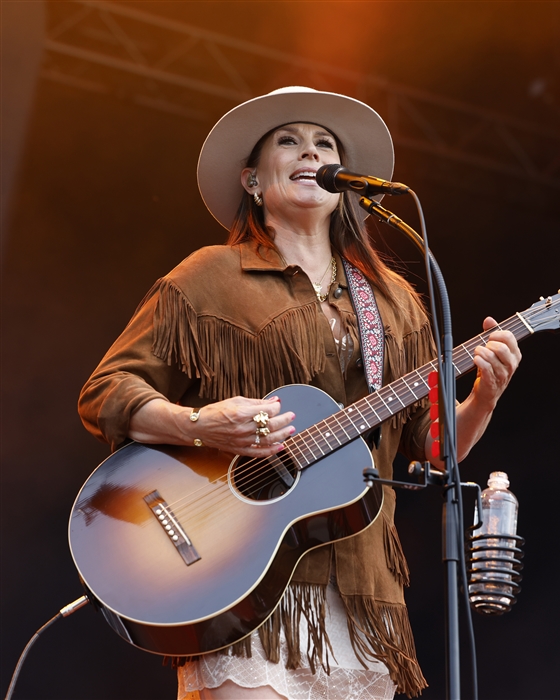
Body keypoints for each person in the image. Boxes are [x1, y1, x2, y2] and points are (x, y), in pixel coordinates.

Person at [78, 86, 521, 700]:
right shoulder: (209, 275)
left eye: (324, 143)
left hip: (363, 600)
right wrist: (200, 424)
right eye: (288, 140)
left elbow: (434, 450)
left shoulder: (392, 300)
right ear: (253, 180)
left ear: (347, 183)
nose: (309, 151)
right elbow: (107, 391)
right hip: (237, 581)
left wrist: (483, 398)